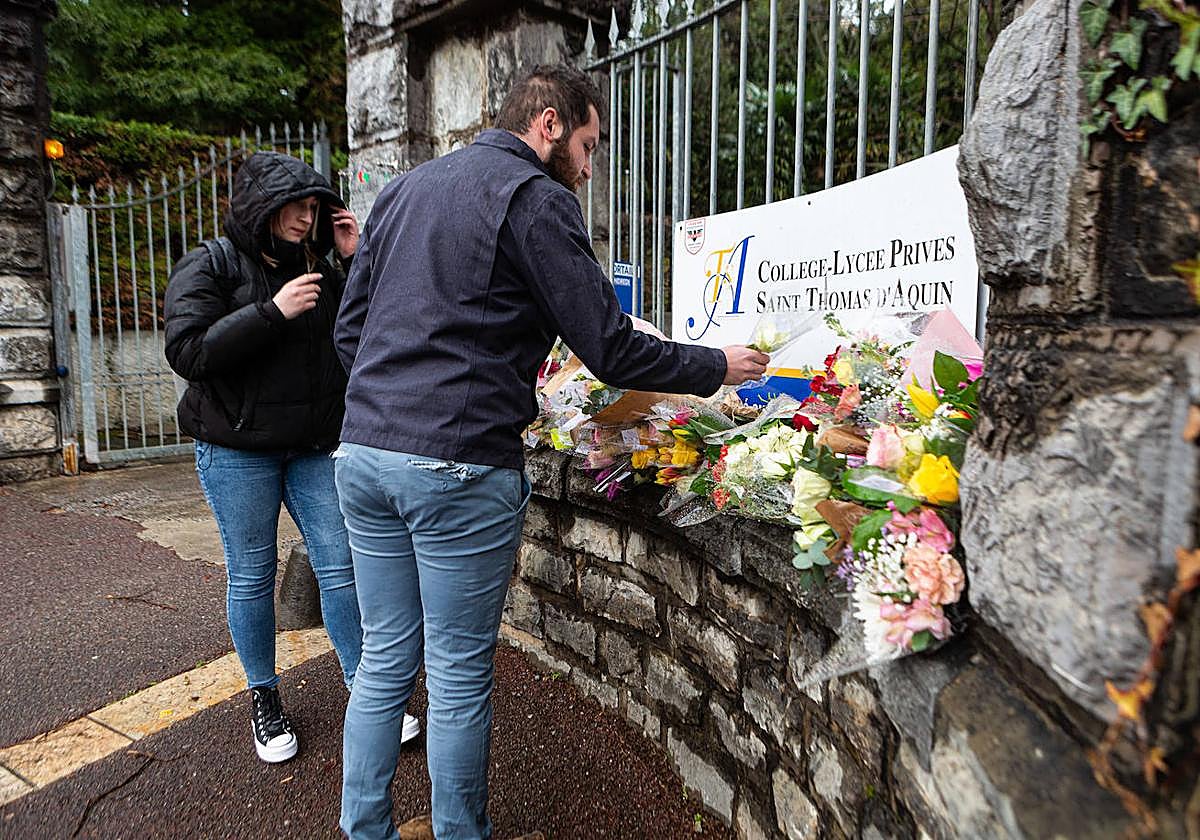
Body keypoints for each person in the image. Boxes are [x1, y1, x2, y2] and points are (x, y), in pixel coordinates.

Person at [333, 65, 769, 839]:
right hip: (458, 461)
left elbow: (348, 330)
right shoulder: (536, 200)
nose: (591, 166)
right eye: (590, 144)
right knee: (460, 673)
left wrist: (388, 402)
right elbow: (608, 346)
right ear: (548, 124)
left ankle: (362, 830)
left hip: (363, 454)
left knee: (383, 659)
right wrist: (716, 367)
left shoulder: (403, 190)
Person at [163, 151, 421, 764]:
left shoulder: (322, 271)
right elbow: (188, 350)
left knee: (342, 566)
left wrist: (355, 257)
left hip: (311, 449)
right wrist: (270, 313)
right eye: (295, 206)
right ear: (263, 207)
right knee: (251, 573)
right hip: (235, 449)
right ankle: (264, 696)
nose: (306, 217)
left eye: (313, 205)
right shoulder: (212, 264)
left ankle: (367, 688)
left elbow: (372, 327)